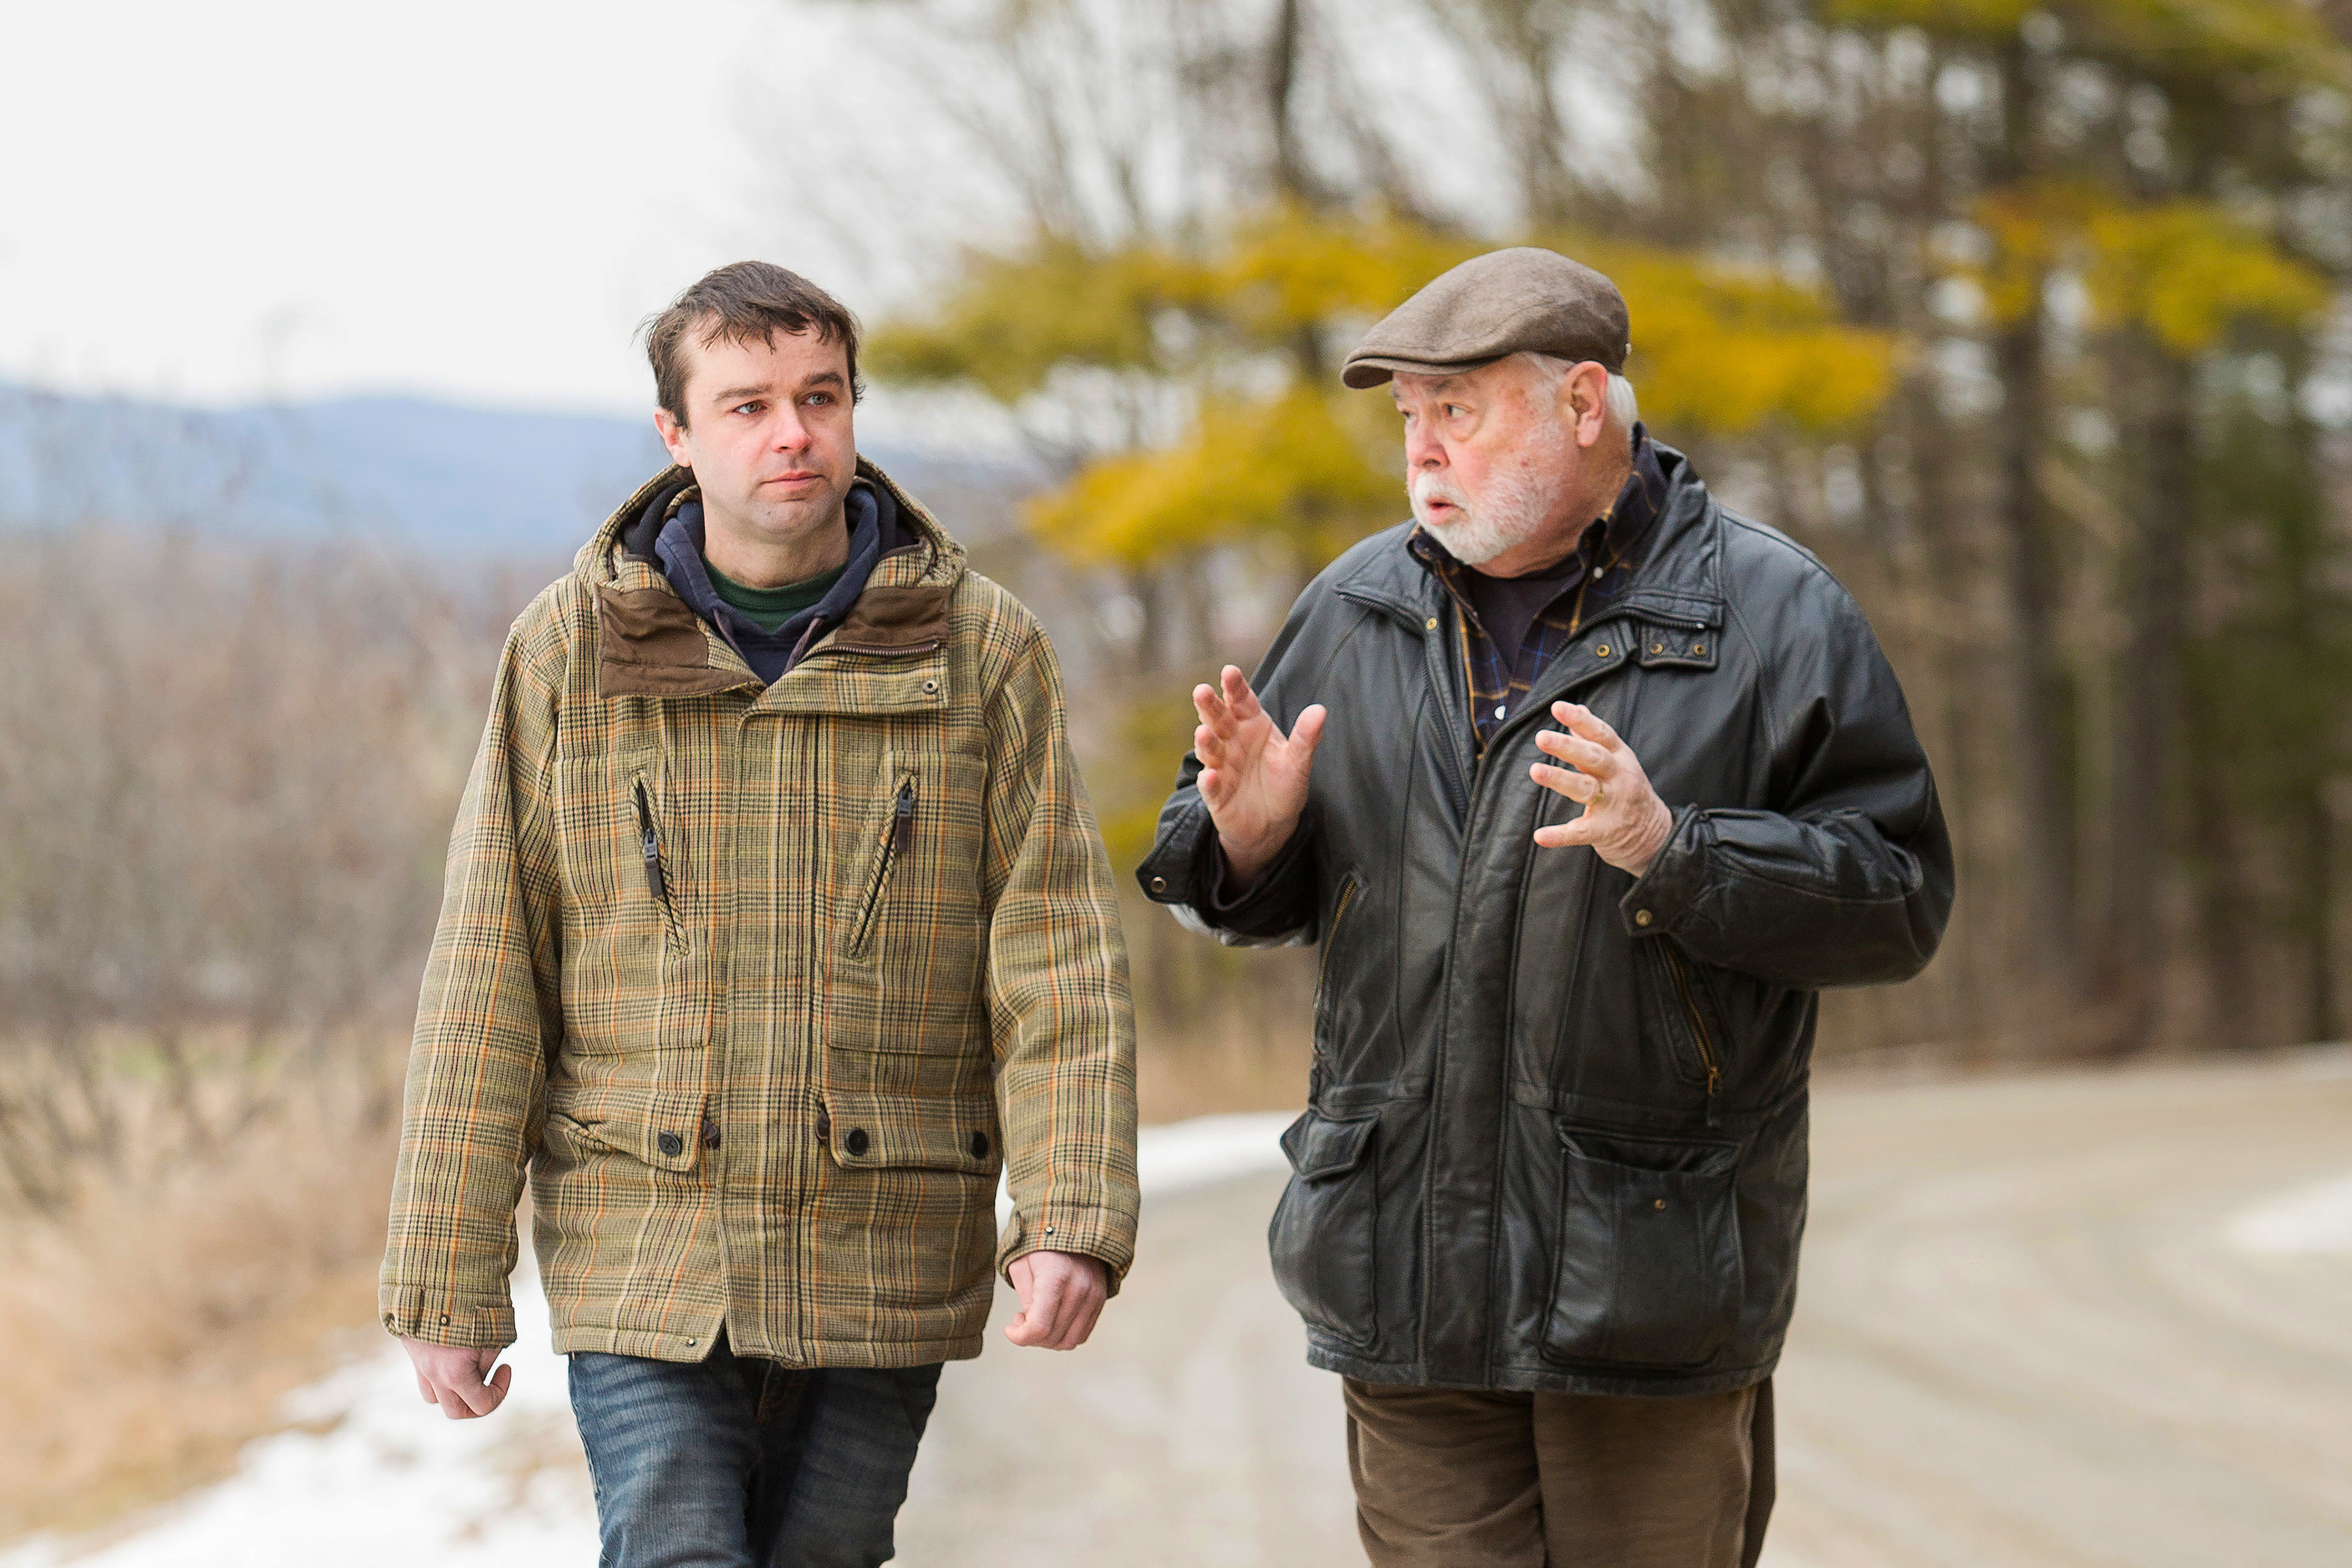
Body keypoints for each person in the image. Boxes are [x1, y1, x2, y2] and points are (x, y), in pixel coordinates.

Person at [1137, 246, 1953, 1567]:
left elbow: (1900, 903)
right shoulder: (1351, 610)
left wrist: (1678, 848)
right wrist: (1241, 843)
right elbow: (1238, 878)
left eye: (1456, 411)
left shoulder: (1774, 616)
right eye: (1410, 418)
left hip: (1648, 1287)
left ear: (1584, 405)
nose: (1422, 453)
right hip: (1406, 1276)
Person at [380, 261, 1137, 1568]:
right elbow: (488, 970)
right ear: (676, 435)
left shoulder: (983, 651)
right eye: (747, 406)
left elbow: (1053, 956)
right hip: (646, 1245)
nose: (793, 433)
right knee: (676, 1546)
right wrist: (448, 1279)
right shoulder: (568, 656)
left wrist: (1072, 1215)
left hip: (886, 1237)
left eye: (820, 397)